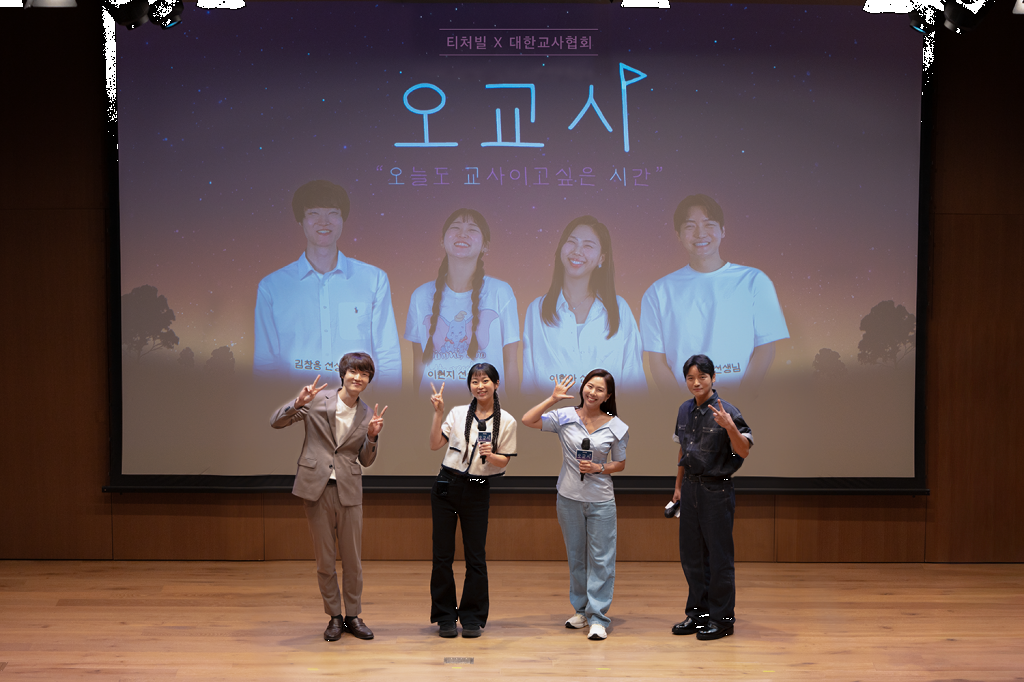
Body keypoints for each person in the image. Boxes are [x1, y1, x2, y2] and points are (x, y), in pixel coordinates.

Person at [270, 352, 388, 642]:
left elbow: (365, 460)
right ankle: (334, 616)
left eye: (364, 374)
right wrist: (298, 403)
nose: (358, 378)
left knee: (353, 560)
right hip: (316, 487)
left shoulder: (366, 413)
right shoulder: (317, 401)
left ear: (369, 380)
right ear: (343, 374)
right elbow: (276, 422)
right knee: (325, 560)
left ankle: (353, 616)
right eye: (353, 372)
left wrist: (372, 437)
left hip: (349, 489)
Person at [254, 179, 402, 387]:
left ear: (342, 220)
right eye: (313, 213)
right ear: (300, 221)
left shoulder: (374, 279)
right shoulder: (272, 287)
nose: (324, 222)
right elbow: (265, 363)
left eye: (333, 213)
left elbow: (387, 354)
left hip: (359, 402)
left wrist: (388, 402)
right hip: (296, 401)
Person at [639, 194, 789, 394]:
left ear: (723, 230)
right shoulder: (658, 292)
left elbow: (765, 348)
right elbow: (657, 361)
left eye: (709, 224)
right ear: (678, 235)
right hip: (686, 406)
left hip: (742, 402)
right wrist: (684, 407)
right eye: (690, 226)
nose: (700, 233)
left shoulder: (755, 281)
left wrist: (742, 400)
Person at [522, 369, 628, 641]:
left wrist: (598, 467)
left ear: (608, 396)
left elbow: (620, 463)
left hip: (601, 501)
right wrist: (553, 399)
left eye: (600, 389)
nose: (593, 392)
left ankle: (598, 618)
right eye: (589, 386)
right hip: (569, 499)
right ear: (583, 388)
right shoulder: (565, 416)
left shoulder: (617, 426)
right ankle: (581, 611)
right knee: (576, 558)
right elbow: (528, 420)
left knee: (601, 560)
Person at [427, 363, 517, 638]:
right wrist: (438, 413)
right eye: (475, 381)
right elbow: (434, 444)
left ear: (496, 384)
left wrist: (491, 455)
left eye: (485, 380)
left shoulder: (507, 421)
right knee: (442, 556)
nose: (480, 386)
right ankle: (444, 617)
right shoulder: (456, 413)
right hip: (446, 486)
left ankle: (472, 618)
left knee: (475, 557)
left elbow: (504, 462)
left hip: (477, 490)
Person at [669, 354, 752, 641]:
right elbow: (683, 451)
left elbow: (744, 451)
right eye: (690, 378)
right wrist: (678, 487)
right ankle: (697, 615)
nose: (696, 383)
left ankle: (722, 620)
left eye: (702, 377)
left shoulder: (728, 411)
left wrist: (730, 427)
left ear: (713, 378)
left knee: (718, 559)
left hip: (717, 491)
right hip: (690, 488)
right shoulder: (684, 409)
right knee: (692, 557)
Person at [522, 216, 644, 394]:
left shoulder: (619, 309)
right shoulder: (537, 309)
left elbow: (634, 381)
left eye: (588, 245)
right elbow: (529, 382)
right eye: (572, 242)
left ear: (602, 258)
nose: (577, 251)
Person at [405, 208, 520, 395]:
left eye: (472, 229)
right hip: (434, 405)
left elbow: (511, 362)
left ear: (485, 246)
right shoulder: (421, 296)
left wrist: (514, 406)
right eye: (455, 227)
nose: (462, 234)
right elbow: (419, 362)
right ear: (442, 240)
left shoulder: (500, 292)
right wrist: (417, 405)